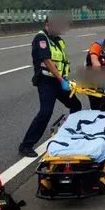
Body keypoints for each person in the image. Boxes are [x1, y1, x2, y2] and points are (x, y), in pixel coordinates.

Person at [18, 15, 82, 157]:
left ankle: (69, 130)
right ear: (48, 25)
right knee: (45, 112)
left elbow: (60, 62)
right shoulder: (41, 38)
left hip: (58, 81)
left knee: (76, 105)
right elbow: (47, 61)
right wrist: (62, 80)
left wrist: (65, 79)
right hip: (47, 82)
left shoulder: (56, 40)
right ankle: (26, 145)